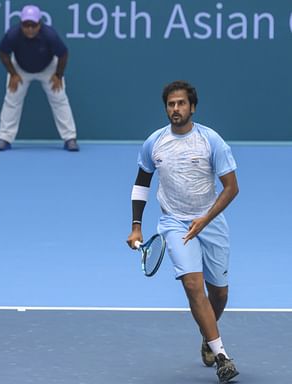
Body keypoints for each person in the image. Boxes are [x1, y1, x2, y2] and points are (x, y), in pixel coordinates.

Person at [126, 81, 240, 384]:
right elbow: (141, 184)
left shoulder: (210, 140)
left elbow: (232, 188)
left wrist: (205, 219)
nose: (175, 109)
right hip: (174, 223)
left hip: (211, 221)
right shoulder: (154, 143)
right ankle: (221, 355)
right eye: (171, 104)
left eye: (181, 104)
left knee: (220, 293)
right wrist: (136, 226)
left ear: (192, 107)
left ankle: (207, 333)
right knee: (192, 285)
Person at [0, 4, 79, 152]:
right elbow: (2, 52)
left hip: (48, 69)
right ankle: (4, 138)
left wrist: (58, 75)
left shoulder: (50, 35)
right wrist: (13, 73)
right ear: (21, 25)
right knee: (12, 99)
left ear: (40, 24)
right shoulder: (12, 35)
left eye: (33, 25)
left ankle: (70, 138)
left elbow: (63, 53)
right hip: (20, 69)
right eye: (26, 25)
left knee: (59, 98)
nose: (30, 29)